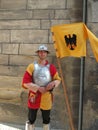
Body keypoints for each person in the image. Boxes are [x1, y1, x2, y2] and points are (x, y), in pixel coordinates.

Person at [22, 44, 61, 130]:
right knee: (31, 118)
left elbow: (58, 79)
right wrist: (38, 88)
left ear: (47, 54)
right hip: (34, 96)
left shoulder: (51, 67)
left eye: (44, 52)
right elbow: (25, 82)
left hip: (46, 96)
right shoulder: (31, 66)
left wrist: (53, 83)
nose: (42, 53)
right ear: (38, 53)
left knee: (46, 119)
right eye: (40, 52)